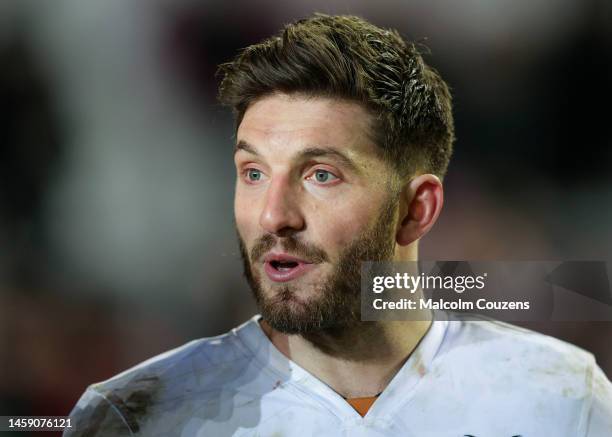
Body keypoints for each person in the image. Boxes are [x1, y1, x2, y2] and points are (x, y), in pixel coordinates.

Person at [65, 13, 612, 436]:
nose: (274, 215)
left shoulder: (562, 396)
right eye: (253, 172)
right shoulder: (139, 415)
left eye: (321, 175)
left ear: (416, 209)